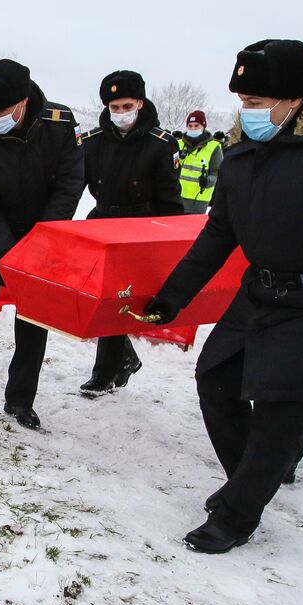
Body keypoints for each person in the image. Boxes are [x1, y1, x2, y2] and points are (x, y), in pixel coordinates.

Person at [141, 39, 303, 553]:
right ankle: (253, 478)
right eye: (243, 100)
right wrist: (172, 297)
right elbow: (218, 234)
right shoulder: (244, 154)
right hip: (258, 295)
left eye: (258, 102)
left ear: (297, 100)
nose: (247, 111)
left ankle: (237, 515)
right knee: (215, 379)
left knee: (283, 414)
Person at [0, 59, 84, 429]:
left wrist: (42, 239)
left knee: (33, 319)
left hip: (43, 237)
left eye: (1, 110)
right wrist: (9, 252)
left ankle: (20, 400)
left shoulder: (59, 125)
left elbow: (71, 183)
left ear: (23, 100)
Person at [77, 70, 184, 397]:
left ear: (140, 102)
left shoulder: (161, 144)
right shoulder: (93, 142)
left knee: (119, 299)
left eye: (126, 105)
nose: (120, 112)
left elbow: (170, 201)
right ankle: (124, 359)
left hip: (142, 229)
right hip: (102, 225)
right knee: (95, 298)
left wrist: (168, 245)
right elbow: (73, 186)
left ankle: (106, 373)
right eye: (114, 106)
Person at [179, 109, 222, 214]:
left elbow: (217, 173)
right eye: (190, 126)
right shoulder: (178, 144)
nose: (193, 128)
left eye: (196, 125)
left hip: (199, 200)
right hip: (177, 196)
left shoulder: (214, 147)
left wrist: (208, 181)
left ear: (203, 126)